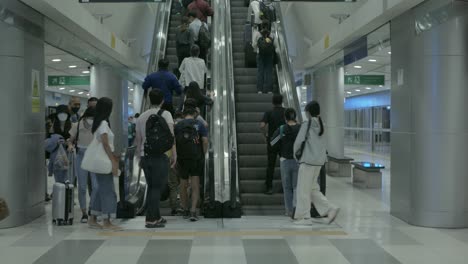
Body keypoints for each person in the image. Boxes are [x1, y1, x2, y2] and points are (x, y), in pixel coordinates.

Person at [135, 89, 177, 228]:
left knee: (152, 186)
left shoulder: (141, 117)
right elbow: (171, 137)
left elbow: (138, 140)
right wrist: (174, 154)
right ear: (163, 100)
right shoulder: (166, 114)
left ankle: (157, 216)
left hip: (145, 155)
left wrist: (138, 157)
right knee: (157, 188)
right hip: (161, 155)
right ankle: (151, 219)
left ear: (148, 100)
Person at [293, 101, 339, 225]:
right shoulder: (322, 125)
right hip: (319, 162)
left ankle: (304, 218)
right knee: (312, 188)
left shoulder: (306, 124)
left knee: (303, 189)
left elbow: (298, 143)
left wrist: (296, 156)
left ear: (308, 112)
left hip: (307, 162)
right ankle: (330, 208)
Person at [88, 97, 121, 230]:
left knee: (102, 189)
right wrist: (112, 159)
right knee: (108, 191)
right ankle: (107, 221)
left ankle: (93, 218)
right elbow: (106, 144)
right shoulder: (103, 124)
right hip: (104, 160)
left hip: (99, 160)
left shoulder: (99, 123)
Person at [175, 107, 208, 222]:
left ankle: (185, 209)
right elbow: (204, 141)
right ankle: (193, 211)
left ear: (184, 114)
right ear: (194, 113)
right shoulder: (199, 124)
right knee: (195, 185)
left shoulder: (178, 125)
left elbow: (173, 142)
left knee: (183, 185)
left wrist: (175, 157)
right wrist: (203, 154)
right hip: (196, 158)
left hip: (182, 158)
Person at [67, 107, 98, 223]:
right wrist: (70, 145)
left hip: (94, 156)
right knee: (82, 186)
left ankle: (92, 207)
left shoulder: (98, 125)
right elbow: (70, 140)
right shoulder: (77, 125)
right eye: (90, 118)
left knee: (96, 186)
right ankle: (84, 212)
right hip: (81, 155)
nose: (91, 120)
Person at [270, 108, 301, 217]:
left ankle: (289, 211)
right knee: (297, 187)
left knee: (287, 188)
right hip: (298, 162)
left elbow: (273, 142)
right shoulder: (301, 128)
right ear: (295, 116)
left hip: (285, 161)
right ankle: (297, 209)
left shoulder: (282, 129)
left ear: (285, 118)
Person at [260, 94, 285, 195]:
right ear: (282, 101)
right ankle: (285, 186)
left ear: (273, 102)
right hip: (284, 141)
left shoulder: (269, 112)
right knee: (285, 163)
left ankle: (269, 187)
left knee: (271, 164)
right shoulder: (286, 112)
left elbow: (262, 125)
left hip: (273, 141)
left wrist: (265, 135)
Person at [253, 22, 279, 94]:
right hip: (269, 56)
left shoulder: (257, 34)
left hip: (260, 55)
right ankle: (270, 90)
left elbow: (254, 45)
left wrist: (257, 50)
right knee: (269, 72)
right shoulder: (272, 35)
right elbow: (276, 46)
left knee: (260, 72)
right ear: (269, 26)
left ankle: (259, 90)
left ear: (261, 26)